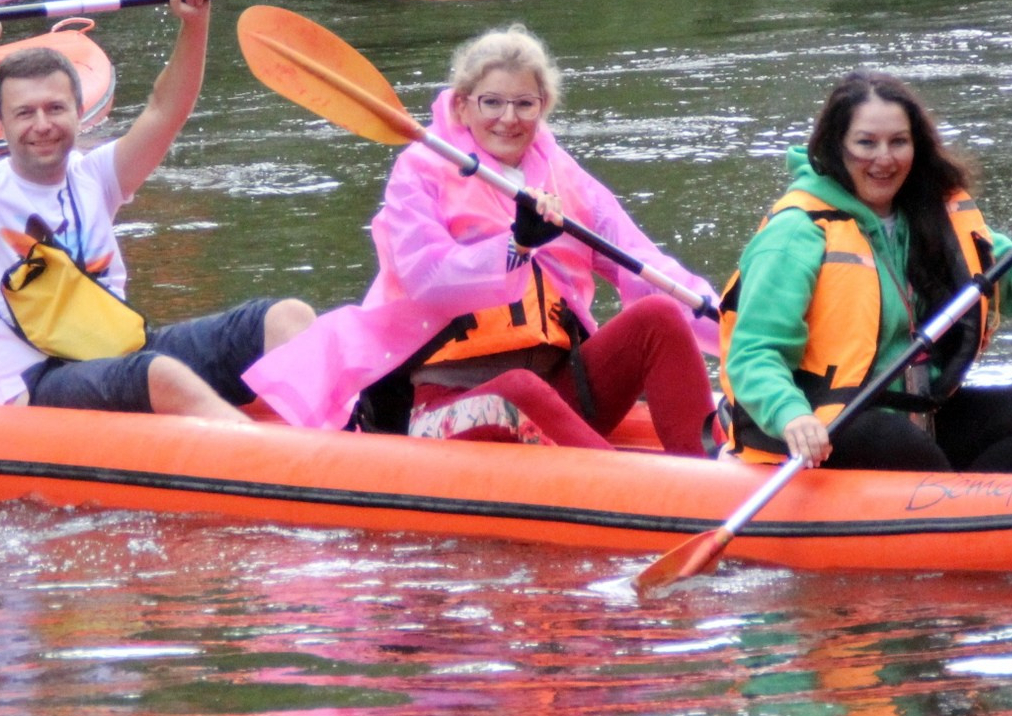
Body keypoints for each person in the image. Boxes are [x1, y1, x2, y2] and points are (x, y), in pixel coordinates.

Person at [243, 26, 717, 454]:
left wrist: (734, 325)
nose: (508, 118)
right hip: (446, 407)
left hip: (561, 390)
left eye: (525, 104)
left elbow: (643, 264)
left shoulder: (565, 177)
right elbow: (429, 279)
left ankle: (711, 467)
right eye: (492, 102)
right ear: (462, 104)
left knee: (657, 317)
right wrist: (517, 246)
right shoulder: (420, 170)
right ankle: (637, 500)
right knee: (517, 390)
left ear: (543, 107)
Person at [0, 0, 316, 418]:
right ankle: (279, 468)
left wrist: (195, 23)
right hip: (38, 386)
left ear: (80, 113)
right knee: (158, 373)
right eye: (25, 113)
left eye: (56, 108)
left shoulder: (96, 176)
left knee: (288, 316)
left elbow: (165, 110)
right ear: (0, 124)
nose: (42, 124)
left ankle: (340, 436)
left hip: (123, 353)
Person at [719, 70, 1012, 473]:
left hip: (911, 410)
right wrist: (791, 415)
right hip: (820, 423)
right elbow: (754, 354)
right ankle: (953, 520)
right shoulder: (796, 233)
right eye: (866, 143)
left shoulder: (935, 213)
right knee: (895, 441)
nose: (884, 158)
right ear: (836, 147)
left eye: (898, 142)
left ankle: (973, 522)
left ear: (917, 146)